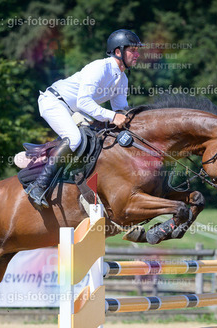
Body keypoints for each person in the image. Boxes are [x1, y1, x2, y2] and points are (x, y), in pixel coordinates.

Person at [25, 29, 142, 210]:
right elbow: (84, 102)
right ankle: (38, 186)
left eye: (137, 51)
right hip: (54, 101)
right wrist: (113, 116)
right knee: (74, 138)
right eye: (132, 50)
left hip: (74, 110)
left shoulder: (122, 78)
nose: (137, 54)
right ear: (118, 51)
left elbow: (120, 109)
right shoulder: (99, 68)